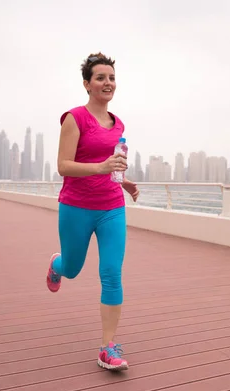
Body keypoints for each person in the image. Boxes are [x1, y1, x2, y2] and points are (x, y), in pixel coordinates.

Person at [46, 52, 140, 371]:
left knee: (111, 273)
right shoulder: (74, 118)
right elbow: (63, 166)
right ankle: (56, 265)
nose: (107, 83)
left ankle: (107, 347)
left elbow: (111, 166)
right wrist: (101, 167)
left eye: (111, 78)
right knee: (72, 268)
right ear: (87, 84)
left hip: (112, 207)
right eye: (100, 78)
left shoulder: (119, 125)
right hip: (76, 206)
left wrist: (123, 182)